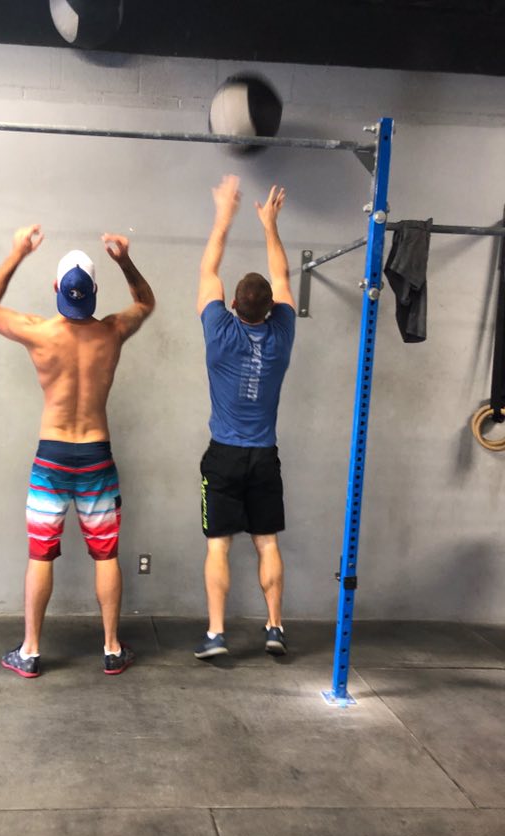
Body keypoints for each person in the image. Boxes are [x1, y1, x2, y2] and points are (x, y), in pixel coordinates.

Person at [0, 225, 155, 679]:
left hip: (52, 456)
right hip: (96, 454)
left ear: (56, 287)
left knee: (40, 555)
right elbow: (145, 302)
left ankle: (31, 651)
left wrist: (17, 252)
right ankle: (112, 648)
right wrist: (124, 261)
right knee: (106, 554)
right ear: (94, 291)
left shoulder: (39, 332)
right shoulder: (112, 331)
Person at [195, 175, 296, 660]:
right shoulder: (283, 332)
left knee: (218, 546)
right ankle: (274, 627)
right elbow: (283, 275)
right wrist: (269, 224)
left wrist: (224, 215)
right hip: (263, 457)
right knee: (266, 543)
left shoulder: (218, 329)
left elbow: (208, 268)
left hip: (225, 456)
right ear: (272, 308)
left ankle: (217, 634)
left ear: (232, 305)